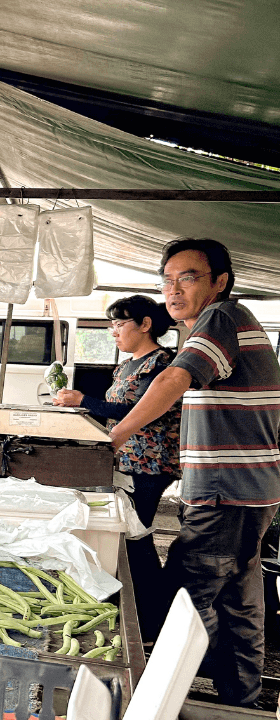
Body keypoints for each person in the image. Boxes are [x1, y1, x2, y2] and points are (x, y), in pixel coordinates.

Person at [109, 238, 280, 707]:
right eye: (167, 280)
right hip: (251, 492)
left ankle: (167, 700)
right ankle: (237, 700)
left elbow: (172, 379)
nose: (174, 289)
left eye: (188, 277)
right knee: (240, 603)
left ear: (220, 282)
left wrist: (114, 437)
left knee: (183, 598)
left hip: (225, 494)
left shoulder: (221, 318)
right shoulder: (229, 324)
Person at [52, 295, 180, 640]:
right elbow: (115, 408)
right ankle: (138, 611)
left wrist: (83, 401)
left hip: (150, 463)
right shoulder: (126, 366)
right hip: (123, 459)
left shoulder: (162, 364)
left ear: (145, 324)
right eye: (111, 325)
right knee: (124, 534)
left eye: (120, 324)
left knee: (136, 534)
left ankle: (153, 618)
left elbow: (137, 412)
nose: (113, 332)